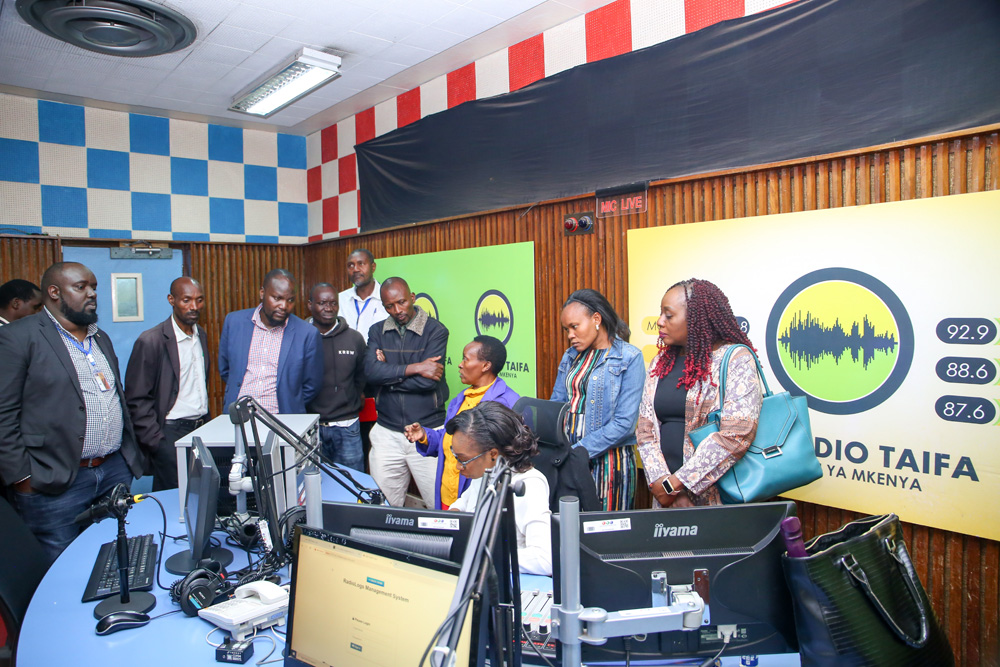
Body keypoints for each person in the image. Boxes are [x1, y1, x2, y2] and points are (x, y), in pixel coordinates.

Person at [0, 262, 143, 562]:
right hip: (55, 480)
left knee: (112, 558)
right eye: (81, 287)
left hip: (112, 470)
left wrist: (127, 460)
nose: (92, 294)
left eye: (94, 287)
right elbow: (4, 415)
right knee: (61, 569)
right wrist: (22, 476)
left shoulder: (99, 337)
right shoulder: (18, 337)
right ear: (54, 292)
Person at [636, 278, 762, 508]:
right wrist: (663, 484)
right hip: (665, 500)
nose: (660, 322)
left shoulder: (735, 359)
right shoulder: (658, 363)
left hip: (716, 501)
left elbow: (737, 434)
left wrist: (676, 484)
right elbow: (646, 431)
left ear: (696, 318)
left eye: (669, 315)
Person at [551, 289, 644, 511]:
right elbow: (556, 404)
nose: (570, 335)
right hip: (568, 461)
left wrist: (580, 451)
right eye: (566, 329)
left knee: (605, 533)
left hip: (609, 464)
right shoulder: (570, 356)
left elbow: (625, 423)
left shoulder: (630, 357)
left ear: (596, 319)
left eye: (575, 327)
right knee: (569, 531)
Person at [404, 336, 520, 509]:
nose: (460, 364)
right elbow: (449, 440)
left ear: (485, 366)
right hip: (448, 497)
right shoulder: (460, 399)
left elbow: (507, 459)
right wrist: (425, 436)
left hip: (478, 501)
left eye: (466, 359)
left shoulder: (508, 403)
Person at [364, 277, 448, 507]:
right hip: (386, 433)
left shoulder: (436, 331)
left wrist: (387, 376)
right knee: (383, 508)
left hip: (428, 430)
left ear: (412, 298)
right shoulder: (377, 331)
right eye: (390, 306)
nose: (397, 310)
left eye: (401, 302)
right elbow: (370, 374)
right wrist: (416, 368)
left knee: (439, 505)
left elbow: (428, 383)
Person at [447, 402, 552, 576]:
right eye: (455, 457)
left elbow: (544, 559)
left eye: (463, 459)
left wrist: (483, 557)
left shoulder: (529, 484)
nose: (458, 466)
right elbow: (465, 502)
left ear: (493, 454)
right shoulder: (484, 472)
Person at [124, 277, 209, 491]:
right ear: (172, 300)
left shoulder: (202, 336)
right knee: (174, 499)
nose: (194, 307)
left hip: (201, 428)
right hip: (170, 433)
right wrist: (157, 442)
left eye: (199, 300)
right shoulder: (151, 340)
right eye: (186, 300)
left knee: (203, 495)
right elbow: (136, 398)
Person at [218, 269, 322, 414]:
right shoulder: (234, 322)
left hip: (283, 422)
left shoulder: (307, 333)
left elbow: (312, 384)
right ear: (262, 293)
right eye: (277, 298)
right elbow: (226, 369)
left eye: (290, 300)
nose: (284, 306)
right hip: (240, 419)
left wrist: (289, 401)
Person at [306, 283, 367, 470]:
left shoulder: (354, 339)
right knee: (313, 488)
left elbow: (361, 378)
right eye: (322, 303)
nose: (329, 308)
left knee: (353, 485)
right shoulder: (299, 336)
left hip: (347, 428)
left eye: (333, 303)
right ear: (310, 305)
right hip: (310, 429)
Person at [338, 248, 388, 343]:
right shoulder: (339, 299)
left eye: (361, 264)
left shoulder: (387, 298)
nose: (355, 269)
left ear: (373, 267)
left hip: (378, 356)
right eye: (350, 265)